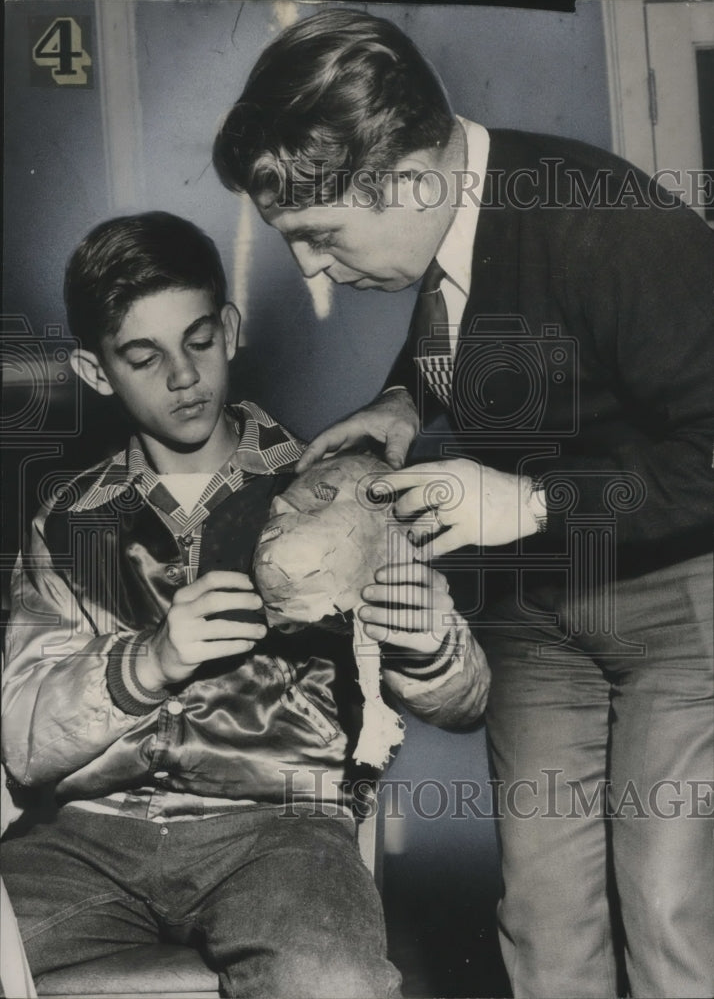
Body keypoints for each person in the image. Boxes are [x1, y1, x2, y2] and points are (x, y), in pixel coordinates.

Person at [212, 9, 714, 999]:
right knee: (541, 921)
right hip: (535, 613)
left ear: (403, 181)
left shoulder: (606, 223)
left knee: (666, 914)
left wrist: (526, 501)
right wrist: (404, 401)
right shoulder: (448, 227)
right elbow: (469, 319)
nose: (311, 272)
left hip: (672, 603)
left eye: (318, 238)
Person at [0, 211, 490, 999]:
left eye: (197, 339)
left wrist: (432, 647)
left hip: (279, 831)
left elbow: (466, 700)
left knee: (333, 981)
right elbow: (20, 734)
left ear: (228, 328)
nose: (183, 376)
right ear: (97, 373)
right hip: (87, 838)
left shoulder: (327, 489)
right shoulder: (68, 519)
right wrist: (148, 662)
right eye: (142, 356)